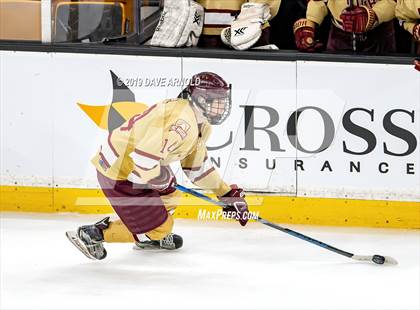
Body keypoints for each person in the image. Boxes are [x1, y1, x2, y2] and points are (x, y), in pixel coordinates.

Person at [66, 72, 249, 260]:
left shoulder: (201, 124)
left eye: (224, 100)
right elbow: (143, 160)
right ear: (200, 98)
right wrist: (159, 179)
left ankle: (148, 234)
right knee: (162, 228)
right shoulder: (181, 122)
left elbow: (195, 167)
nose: (223, 106)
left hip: (134, 167)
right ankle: (94, 234)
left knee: (171, 195)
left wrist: (225, 193)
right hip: (119, 172)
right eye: (218, 100)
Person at [294, 0, 396, 54]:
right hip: (339, 35)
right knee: (336, 82)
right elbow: (319, 1)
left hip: (379, 34)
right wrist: (310, 23)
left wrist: (375, 15)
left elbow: (397, 2)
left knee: (383, 83)